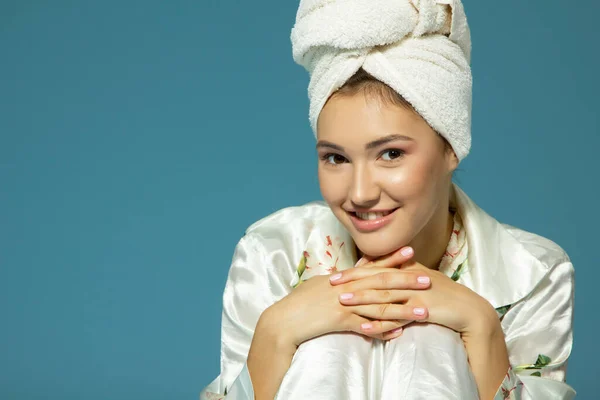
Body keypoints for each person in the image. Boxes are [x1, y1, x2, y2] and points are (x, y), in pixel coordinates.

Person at [200, 0, 575, 399]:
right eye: (336, 158)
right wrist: (278, 330)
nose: (360, 193)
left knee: (435, 340)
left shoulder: (533, 272)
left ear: (452, 147)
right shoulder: (271, 253)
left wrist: (480, 325)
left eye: (391, 153)